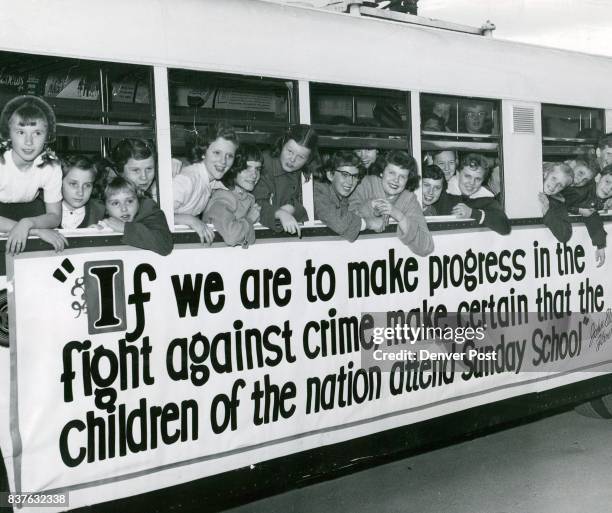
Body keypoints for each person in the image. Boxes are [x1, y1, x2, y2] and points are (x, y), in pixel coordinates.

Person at [0, 95, 66, 254]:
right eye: (20, 132)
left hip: (28, 216)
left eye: (37, 133)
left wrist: (28, 223)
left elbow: (55, 216)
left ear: (47, 137)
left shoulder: (51, 166)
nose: (29, 142)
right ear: (8, 134)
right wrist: (33, 231)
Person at [349, 150, 434, 256]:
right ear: (381, 172)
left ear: (408, 180)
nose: (396, 180)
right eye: (391, 173)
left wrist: (399, 215)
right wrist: (370, 206)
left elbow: (426, 247)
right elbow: (346, 221)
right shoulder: (364, 184)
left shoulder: (408, 199)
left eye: (402, 176)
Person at [173, 124, 239, 244]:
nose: (223, 161)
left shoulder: (212, 180)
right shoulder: (187, 180)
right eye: (217, 153)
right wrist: (191, 220)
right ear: (203, 152)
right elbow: (156, 217)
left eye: (229, 156)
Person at [253, 124, 319, 237]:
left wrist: (292, 209)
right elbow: (256, 204)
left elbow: (313, 208)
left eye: (301, 157)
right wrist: (280, 214)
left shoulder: (307, 173)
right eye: (290, 151)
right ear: (283, 143)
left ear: (308, 159)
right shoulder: (263, 163)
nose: (292, 159)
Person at [314, 151, 382, 241]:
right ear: (330, 175)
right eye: (345, 175)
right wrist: (368, 223)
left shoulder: (343, 196)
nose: (350, 182)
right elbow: (338, 222)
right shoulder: (319, 189)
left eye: (354, 176)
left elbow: (353, 214)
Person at [204, 145, 263, 247]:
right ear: (233, 169)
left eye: (257, 169)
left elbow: (248, 240)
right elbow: (231, 237)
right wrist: (250, 220)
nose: (254, 175)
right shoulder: (223, 196)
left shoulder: (248, 198)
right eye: (246, 168)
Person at [437, 153, 510, 235]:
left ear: (482, 181)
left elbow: (505, 227)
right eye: (467, 176)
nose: (472, 183)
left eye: (478, 179)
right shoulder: (441, 191)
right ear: (458, 173)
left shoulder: (486, 198)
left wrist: (472, 213)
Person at [98, 176, 173, 255]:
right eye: (116, 203)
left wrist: (125, 228)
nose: (124, 209)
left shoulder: (149, 210)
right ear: (105, 207)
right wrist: (95, 231)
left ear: (138, 200)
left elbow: (164, 245)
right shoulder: (101, 216)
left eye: (129, 201)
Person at [563, 164, 612, 267]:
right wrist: (579, 210)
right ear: (598, 177)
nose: (608, 190)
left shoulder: (596, 194)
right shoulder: (581, 191)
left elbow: (593, 218)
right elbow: (558, 203)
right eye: (607, 182)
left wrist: (600, 246)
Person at [61, 154, 105, 229]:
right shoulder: (44, 211)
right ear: (59, 182)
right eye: (73, 184)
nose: (80, 192)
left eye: (87, 185)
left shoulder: (99, 212)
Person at [538, 162, 574, 244]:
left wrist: (547, 211)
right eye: (554, 178)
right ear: (546, 174)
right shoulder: (529, 186)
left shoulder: (558, 203)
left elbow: (565, 235)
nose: (554, 185)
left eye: (560, 185)